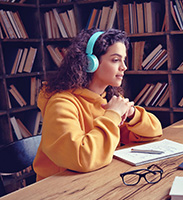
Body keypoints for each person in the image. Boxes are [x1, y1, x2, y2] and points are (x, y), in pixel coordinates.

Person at [33, 28, 163, 181]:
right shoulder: (61, 104)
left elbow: (154, 131)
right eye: (116, 60)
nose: (124, 67)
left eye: (124, 60)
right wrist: (113, 115)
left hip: (97, 178)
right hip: (61, 189)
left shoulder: (109, 98)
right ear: (90, 63)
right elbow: (82, 157)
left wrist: (133, 114)